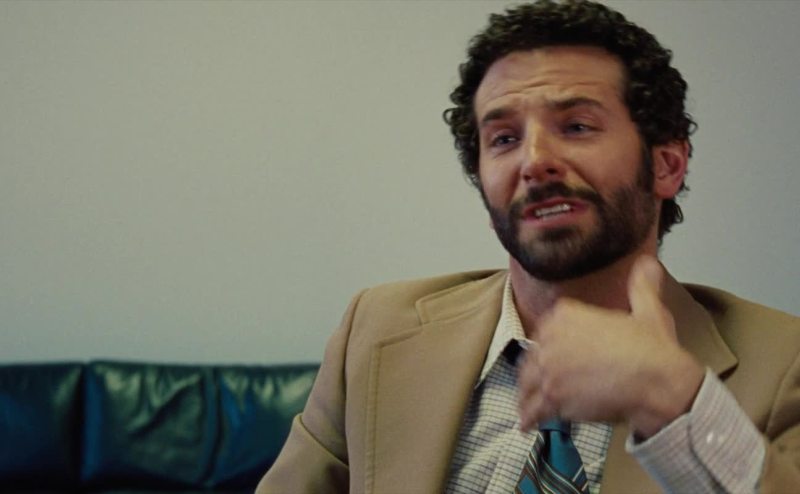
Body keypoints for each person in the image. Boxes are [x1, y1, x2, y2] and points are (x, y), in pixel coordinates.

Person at [257, 1, 800, 492]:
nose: (534, 160)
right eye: (504, 139)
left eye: (577, 126)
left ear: (666, 165)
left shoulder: (784, 363)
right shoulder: (376, 330)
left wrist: (677, 405)